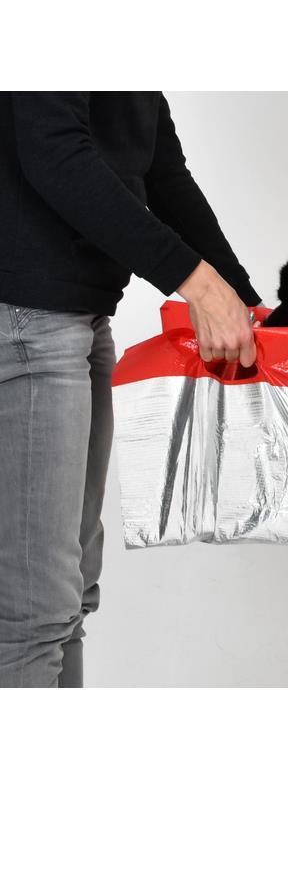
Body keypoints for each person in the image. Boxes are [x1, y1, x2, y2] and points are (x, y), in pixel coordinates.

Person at [0, 92, 260, 687]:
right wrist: (197, 284)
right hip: (26, 318)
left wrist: (242, 302)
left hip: (79, 317)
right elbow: (54, 152)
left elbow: (164, 176)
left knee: (69, 598)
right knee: (35, 613)